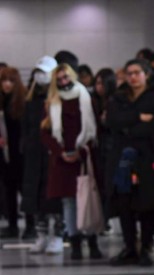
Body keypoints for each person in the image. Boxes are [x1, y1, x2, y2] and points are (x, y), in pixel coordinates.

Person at [106, 59, 154, 267]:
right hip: (123, 157)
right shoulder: (119, 97)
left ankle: (146, 246)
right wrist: (138, 117)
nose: (133, 77)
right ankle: (129, 247)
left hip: (148, 156)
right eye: (129, 73)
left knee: (147, 202)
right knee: (124, 202)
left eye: (137, 73)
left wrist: (130, 127)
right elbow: (113, 121)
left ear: (146, 75)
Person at [40, 63, 103, 260]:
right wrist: (60, 152)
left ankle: (92, 241)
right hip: (62, 159)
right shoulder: (52, 101)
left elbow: (94, 130)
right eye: (59, 79)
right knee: (69, 202)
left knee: (88, 199)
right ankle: (75, 243)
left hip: (84, 156)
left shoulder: (86, 98)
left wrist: (81, 152)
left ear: (72, 76)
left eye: (66, 77)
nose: (63, 82)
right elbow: (45, 132)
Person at [21, 56, 64, 254]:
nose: (41, 76)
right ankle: (41, 235)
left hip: (53, 153)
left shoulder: (60, 98)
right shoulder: (31, 101)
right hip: (34, 154)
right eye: (38, 72)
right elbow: (26, 127)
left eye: (44, 73)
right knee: (36, 196)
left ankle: (58, 235)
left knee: (54, 196)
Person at [0, 66, 36, 239]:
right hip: (6, 153)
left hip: (22, 153)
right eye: (4, 80)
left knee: (25, 189)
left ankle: (31, 225)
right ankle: (12, 225)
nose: (7, 84)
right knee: (9, 189)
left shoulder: (23, 102)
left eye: (10, 81)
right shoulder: (2, 101)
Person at [92, 68, 117, 224]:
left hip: (110, 147)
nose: (99, 87)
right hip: (97, 146)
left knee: (109, 184)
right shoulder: (93, 102)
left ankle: (107, 217)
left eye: (102, 83)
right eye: (97, 83)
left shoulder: (115, 102)